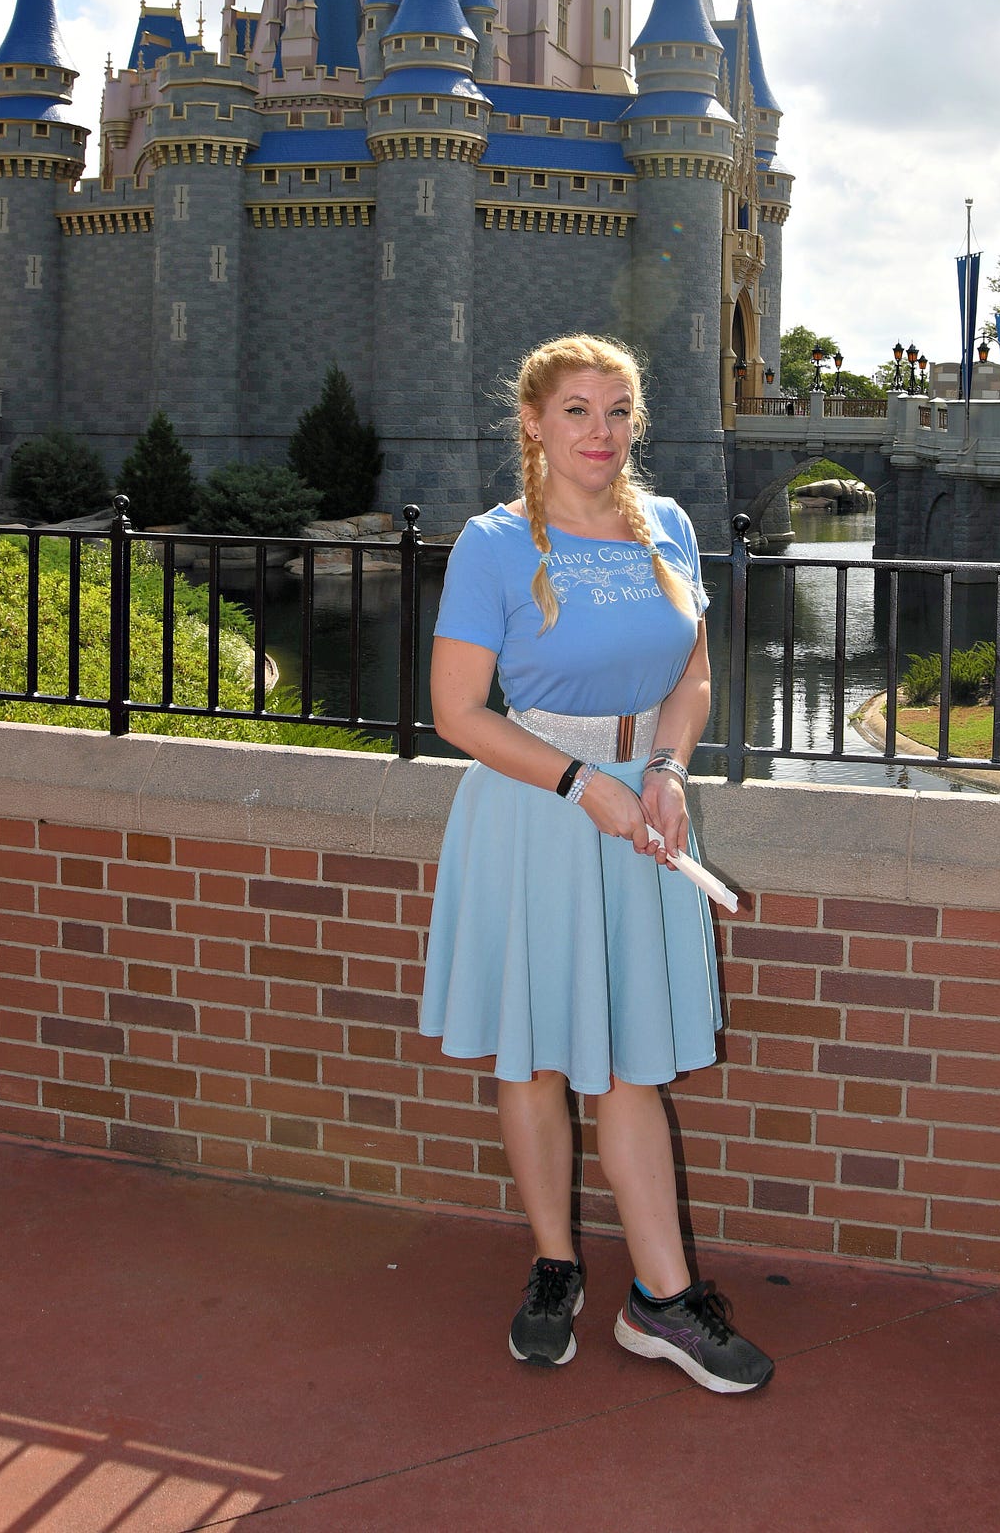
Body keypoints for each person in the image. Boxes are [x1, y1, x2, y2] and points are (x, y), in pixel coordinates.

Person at [421, 332, 774, 1394]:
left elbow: (696, 675)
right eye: (576, 410)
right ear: (532, 422)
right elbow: (456, 713)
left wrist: (664, 770)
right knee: (532, 1055)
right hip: (538, 808)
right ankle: (555, 1265)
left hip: (645, 811)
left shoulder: (665, 527)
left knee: (630, 1059)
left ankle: (662, 1301)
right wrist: (585, 787)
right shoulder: (493, 544)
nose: (600, 432)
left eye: (617, 410)